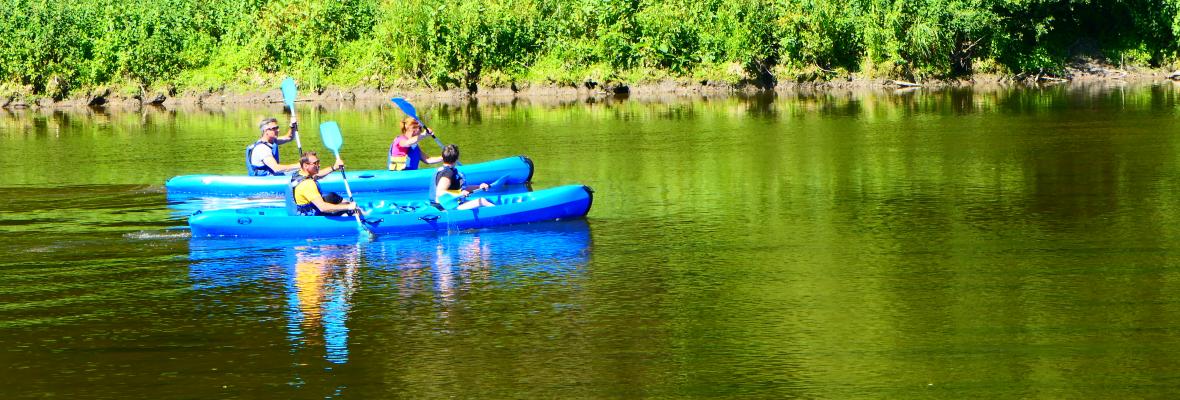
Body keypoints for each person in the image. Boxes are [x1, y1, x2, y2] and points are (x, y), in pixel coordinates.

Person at [290, 152, 360, 216]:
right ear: (305, 165)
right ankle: (362, 218)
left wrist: (334, 167)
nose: (319, 165)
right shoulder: (308, 184)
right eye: (315, 163)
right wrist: (348, 207)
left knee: (333, 196)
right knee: (349, 208)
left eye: (318, 162)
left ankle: (357, 210)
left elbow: (317, 175)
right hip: (311, 217)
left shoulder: (299, 174)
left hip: (302, 210)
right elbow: (323, 208)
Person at [432, 144, 494, 211]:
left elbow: (462, 189)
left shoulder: (447, 170)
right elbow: (440, 192)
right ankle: (503, 214)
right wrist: (460, 194)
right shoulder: (448, 173)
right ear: (457, 158)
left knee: (480, 202)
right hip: (445, 208)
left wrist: (479, 187)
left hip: (451, 204)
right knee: (482, 201)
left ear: (443, 157)